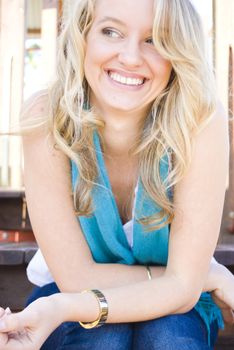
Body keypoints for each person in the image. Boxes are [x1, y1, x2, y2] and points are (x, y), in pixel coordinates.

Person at [0, 0, 234, 349]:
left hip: (173, 309)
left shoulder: (199, 119)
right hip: (66, 291)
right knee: (104, 337)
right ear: (83, 36)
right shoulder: (47, 118)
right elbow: (78, 278)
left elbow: (183, 290)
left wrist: (186, 284)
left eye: (155, 39)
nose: (130, 57)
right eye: (111, 31)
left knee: (168, 339)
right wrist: (201, 278)